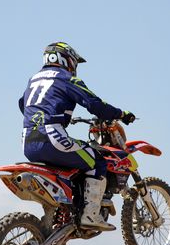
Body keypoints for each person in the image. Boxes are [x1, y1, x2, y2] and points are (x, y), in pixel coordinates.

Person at [19, 42, 135, 231]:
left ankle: (68, 208)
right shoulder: (66, 78)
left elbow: (23, 106)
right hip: (52, 137)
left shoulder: (33, 80)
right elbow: (94, 103)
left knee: (74, 164)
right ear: (66, 59)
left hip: (27, 141)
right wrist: (121, 114)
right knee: (97, 160)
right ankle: (90, 215)